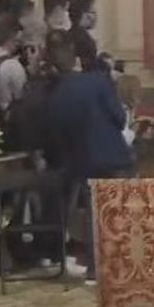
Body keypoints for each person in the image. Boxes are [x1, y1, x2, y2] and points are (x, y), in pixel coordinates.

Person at [45, 32, 134, 282]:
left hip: (82, 161)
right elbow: (118, 118)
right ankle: (124, 262)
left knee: (94, 215)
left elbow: (58, 133)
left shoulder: (56, 93)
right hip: (113, 156)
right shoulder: (98, 81)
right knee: (121, 210)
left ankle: (96, 269)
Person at [68, 0, 110, 74]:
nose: (96, 16)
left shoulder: (68, 34)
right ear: (85, 15)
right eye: (93, 12)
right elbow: (90, 67)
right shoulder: (84, 40)